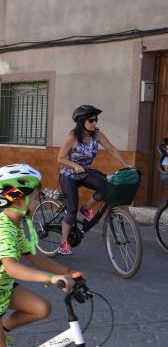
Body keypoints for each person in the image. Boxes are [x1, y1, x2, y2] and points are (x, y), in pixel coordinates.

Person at [0, 164, 75, 347]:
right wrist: (50, 278)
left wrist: (67, 272)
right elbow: (13, 267)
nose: (36, 203)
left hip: (1, 289)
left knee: (41, 308)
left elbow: (33, 255)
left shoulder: (16, 224)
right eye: (34, 198)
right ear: (18, 199)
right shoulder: (4, 230)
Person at [57, 105, 133, 255]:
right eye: (91, 120)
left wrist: (126, 165)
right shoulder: (72, 137)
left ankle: (86, 208)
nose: (94, 123)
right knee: (72, 209)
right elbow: (60, 158)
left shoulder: (96, 135)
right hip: (69, 176)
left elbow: (111, 149)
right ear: (82, 121)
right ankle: (64, 243)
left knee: (106, 186)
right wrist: (74, 165)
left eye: (96, 120)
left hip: (85, 173)